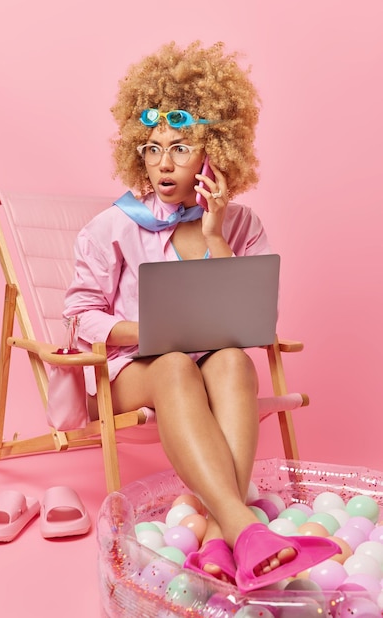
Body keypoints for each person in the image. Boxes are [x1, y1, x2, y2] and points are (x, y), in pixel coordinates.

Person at [63, 41, 339, 592]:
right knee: (172, 364)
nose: (163, 162)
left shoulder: (240, 224)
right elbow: (80, 313)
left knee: (234, 359)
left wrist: (213, 236)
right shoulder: (112, 227)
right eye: (151, 147)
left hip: (206, 361)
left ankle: (217, 535)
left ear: (214, 153)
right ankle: (242, 522)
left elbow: (249, 315)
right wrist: (147, 333)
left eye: (181, 147)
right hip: (128, 372)